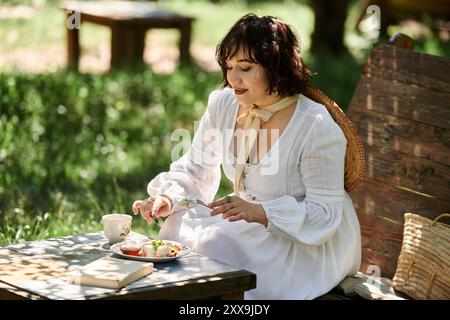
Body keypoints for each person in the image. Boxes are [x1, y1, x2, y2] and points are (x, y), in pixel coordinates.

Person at [132, 13, 361, 299]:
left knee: (219, 243)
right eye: (229, 66)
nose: (233, 78)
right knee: (178, 224)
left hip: (305, 238)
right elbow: (195, 168)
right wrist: (168, 197)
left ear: (276, 67)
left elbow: (325, 213)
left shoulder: (314, 125)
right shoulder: (224, 104)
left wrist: (264, 213)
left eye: (246, 67)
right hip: (250, 219)